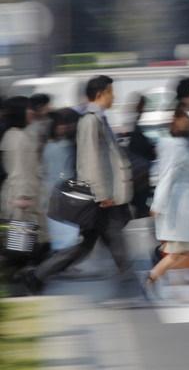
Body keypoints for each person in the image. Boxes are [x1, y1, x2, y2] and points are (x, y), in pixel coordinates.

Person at [20, 76, 137, 302]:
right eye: (111, 92)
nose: (114, 96)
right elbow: (90, 159)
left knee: (85, 246)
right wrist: (103, 194)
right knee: (114, 240)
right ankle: (130, 286)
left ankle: (37, 275)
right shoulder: (91, 120)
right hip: (101, 197)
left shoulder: (99, 118)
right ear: (101, 94)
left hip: (104, 196)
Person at [144, 109, 189, 295]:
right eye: (184, 119)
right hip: (182, 205)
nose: (187, 123)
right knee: (183, 249)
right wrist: (157, 204)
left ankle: (155, 277)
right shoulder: (178, 147)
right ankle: (154, 278)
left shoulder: (183, 144)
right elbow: (167, 176)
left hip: (187, 203)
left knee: (187, 249)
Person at [1, 96, 49, 264]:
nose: (32, 112)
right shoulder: (18, 137)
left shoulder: (19, 135)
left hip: (27, 197)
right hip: (22, 201)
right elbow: (18, 169)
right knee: (23, 248)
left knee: (28, 246)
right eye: (28, 109)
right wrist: (22, 197)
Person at [41, 110, 81, 251]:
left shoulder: (64, 144)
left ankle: (64, 258)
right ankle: (62, 259)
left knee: (66, 230)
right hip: (57, 194)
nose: (63, 127)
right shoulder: (51, 147)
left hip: (63, 194)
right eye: (59, 124)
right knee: (61, 230)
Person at [125, 95, 156, 219]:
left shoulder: (137, 122)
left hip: (140, 164)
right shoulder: (140, 124)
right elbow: (139, 145)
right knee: (140, 190)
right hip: (142, 164)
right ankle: (141, 208)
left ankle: (141, 208)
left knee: (140, 191)